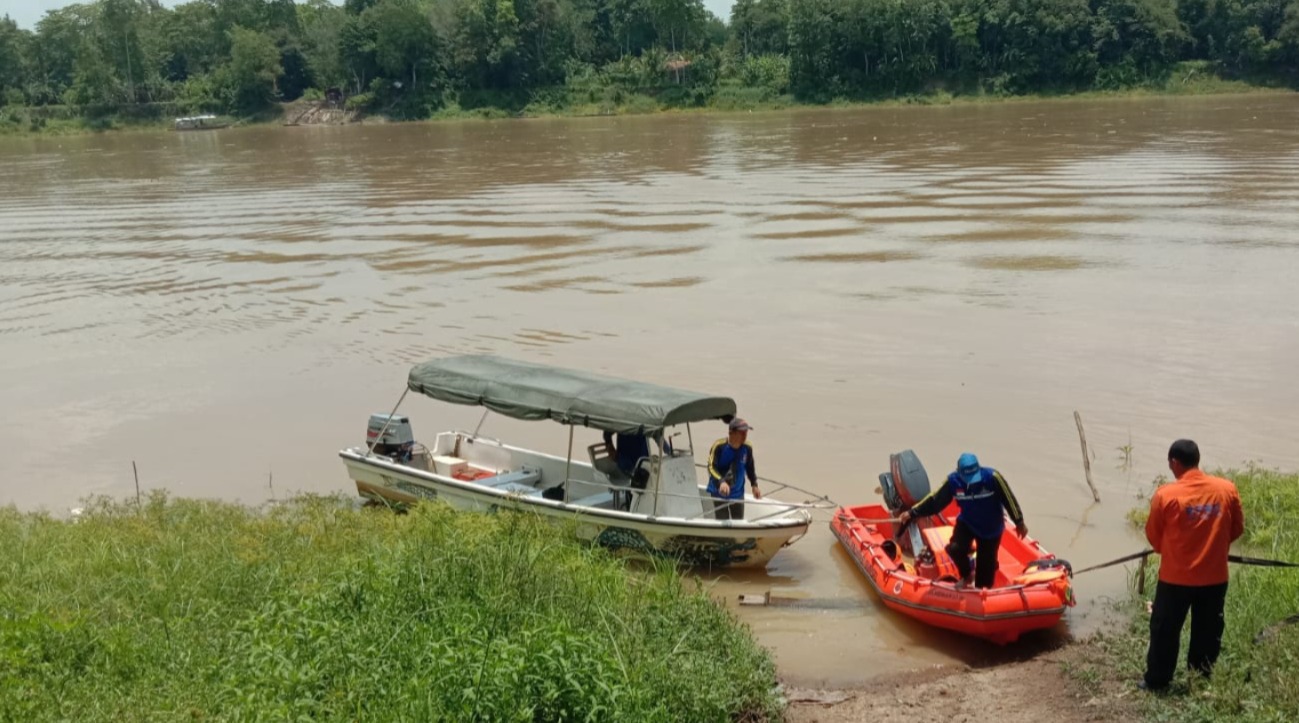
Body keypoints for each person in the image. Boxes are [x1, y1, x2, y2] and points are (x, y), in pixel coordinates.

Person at [1140, 439, 1244, 692]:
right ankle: (1199, 681)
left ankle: (1158, 681)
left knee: (1165, 630)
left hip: (1175, 579)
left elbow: (1154, 537)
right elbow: (1236, 529)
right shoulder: (1226, 489)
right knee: (1208, 632)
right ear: (1197, 460)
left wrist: (1177, 552)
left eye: (1170, 464)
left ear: (1175, 462)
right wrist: (1212, 549)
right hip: (1214, 578)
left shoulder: (1166, 494)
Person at [897, 452, 1027, 589]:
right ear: (959, 472)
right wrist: (912, 513)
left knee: (984, 575)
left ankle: (982, 588)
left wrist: (1019, 522)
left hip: (991, 528)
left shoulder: (992, 477)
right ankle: (966, 575)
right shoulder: (953, 481)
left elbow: (1009, 499)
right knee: (954, 549)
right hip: (968, 523)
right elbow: (935, 501)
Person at [706, 418, 761, 520]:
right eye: (741, 432)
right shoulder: (719, 446)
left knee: (738, 522)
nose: (745, 435)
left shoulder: (747, 447)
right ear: (731, 433)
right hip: (719, 492)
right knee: (723, 523)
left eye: (746, 432)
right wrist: (721, 482)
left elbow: (750, 467)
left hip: (737, 493)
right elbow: (711, 467)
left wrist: (754, 485)